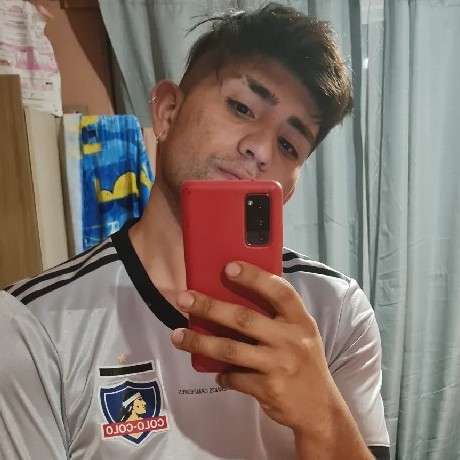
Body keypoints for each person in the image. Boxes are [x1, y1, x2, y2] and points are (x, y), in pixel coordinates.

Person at [0, 3, 390, 459]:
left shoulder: (336, 312)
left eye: (289, 144)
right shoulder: (35, 324)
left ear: (288, 187)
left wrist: (321, 416)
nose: (261, 149)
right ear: (167, 111)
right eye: (241, 107)